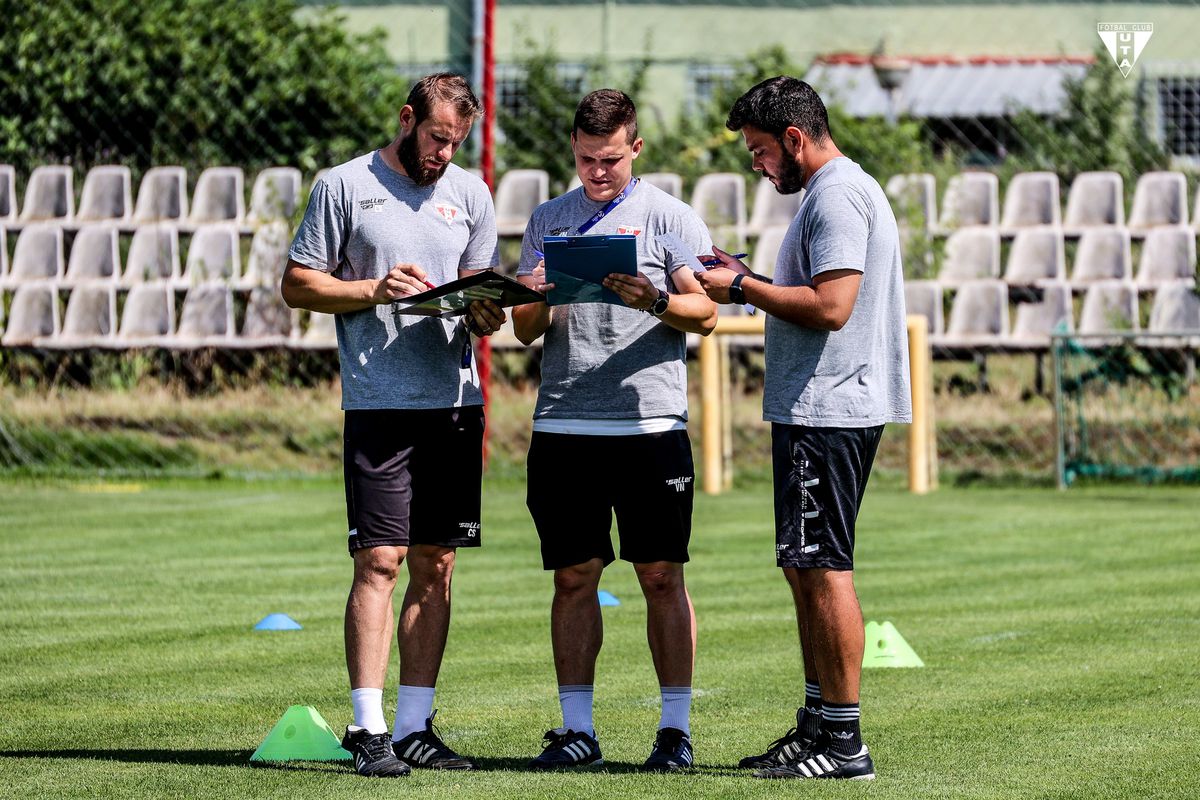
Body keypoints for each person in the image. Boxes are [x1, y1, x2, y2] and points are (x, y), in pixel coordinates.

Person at [281, 73, 508, 778]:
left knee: (437, 565)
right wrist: (369, 291)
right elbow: (297, 283)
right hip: (379, 403)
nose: (444, 154)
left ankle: (415, 727)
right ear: (408, 119)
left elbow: (484, 290)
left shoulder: (470, 194)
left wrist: (485, 311)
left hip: (455, 404)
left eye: (456, 143)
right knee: (379, 560)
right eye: (437, 138)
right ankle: (367, 726)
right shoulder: (342, 186)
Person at [696, 76, 912, 781]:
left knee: (824, 566)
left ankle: (845, 744)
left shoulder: (838, 194)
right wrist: (749, 275)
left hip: (831, 408)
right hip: (816, 406)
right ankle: (818, 724)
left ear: (794, 138)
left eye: (760, 151)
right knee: (803, 563)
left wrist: (739, 288)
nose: (757, 165)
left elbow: (832, 305)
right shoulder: (834, 192)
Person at [511, 89, 718, 772]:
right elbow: (523, 331)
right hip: (566, 420)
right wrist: (537, 297)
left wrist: (655, 298)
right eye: (584, 160)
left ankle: (674, 732)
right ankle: (578, 732)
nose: (597, 173)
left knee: (661, 575)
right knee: (574, 577)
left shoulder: (669, 217)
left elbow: (705, 313)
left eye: (608, 160)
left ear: (636, 149)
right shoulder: (548, 218)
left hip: (649, 424)